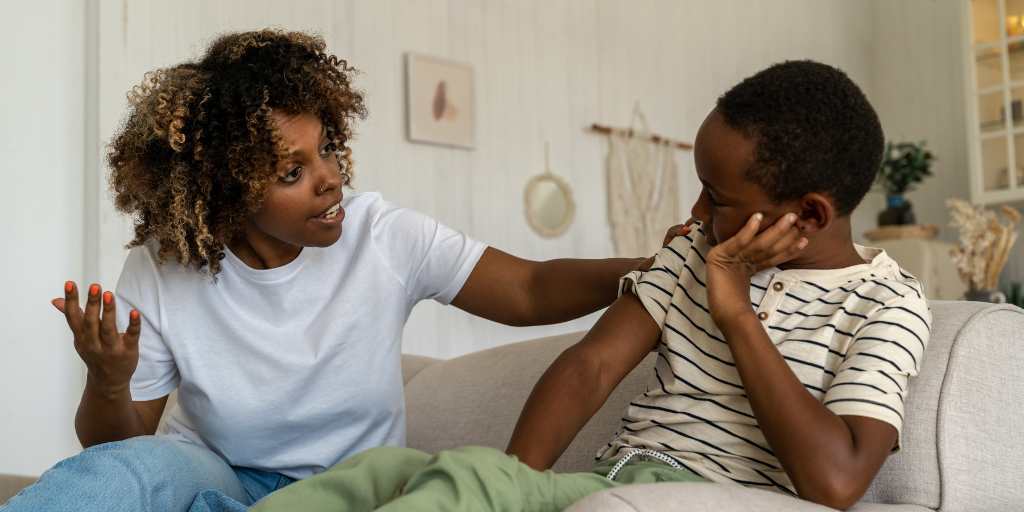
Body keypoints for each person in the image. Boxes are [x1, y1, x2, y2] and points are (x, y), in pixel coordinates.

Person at [0, 30, 684, 512]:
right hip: (218, 476)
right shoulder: (164, 267)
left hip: (349, 489)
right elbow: (112, 448)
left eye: (326, 150)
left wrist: (657, 267)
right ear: (225, 189)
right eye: (292, 172)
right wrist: (108, 379)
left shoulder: (381, 234)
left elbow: (530, 287)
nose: (330, 180)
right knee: (135, 472)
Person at [250, 60, 932, 512]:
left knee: (465, 483)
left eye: (716, 198)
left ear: (808, 214)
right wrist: (516, 483)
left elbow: (836, 482)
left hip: (689, 495)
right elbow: (590, 365)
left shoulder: (885, 303)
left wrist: (737, 313)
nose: (694, 215)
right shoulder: (698, 253)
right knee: (376, 475)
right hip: (606, 480)